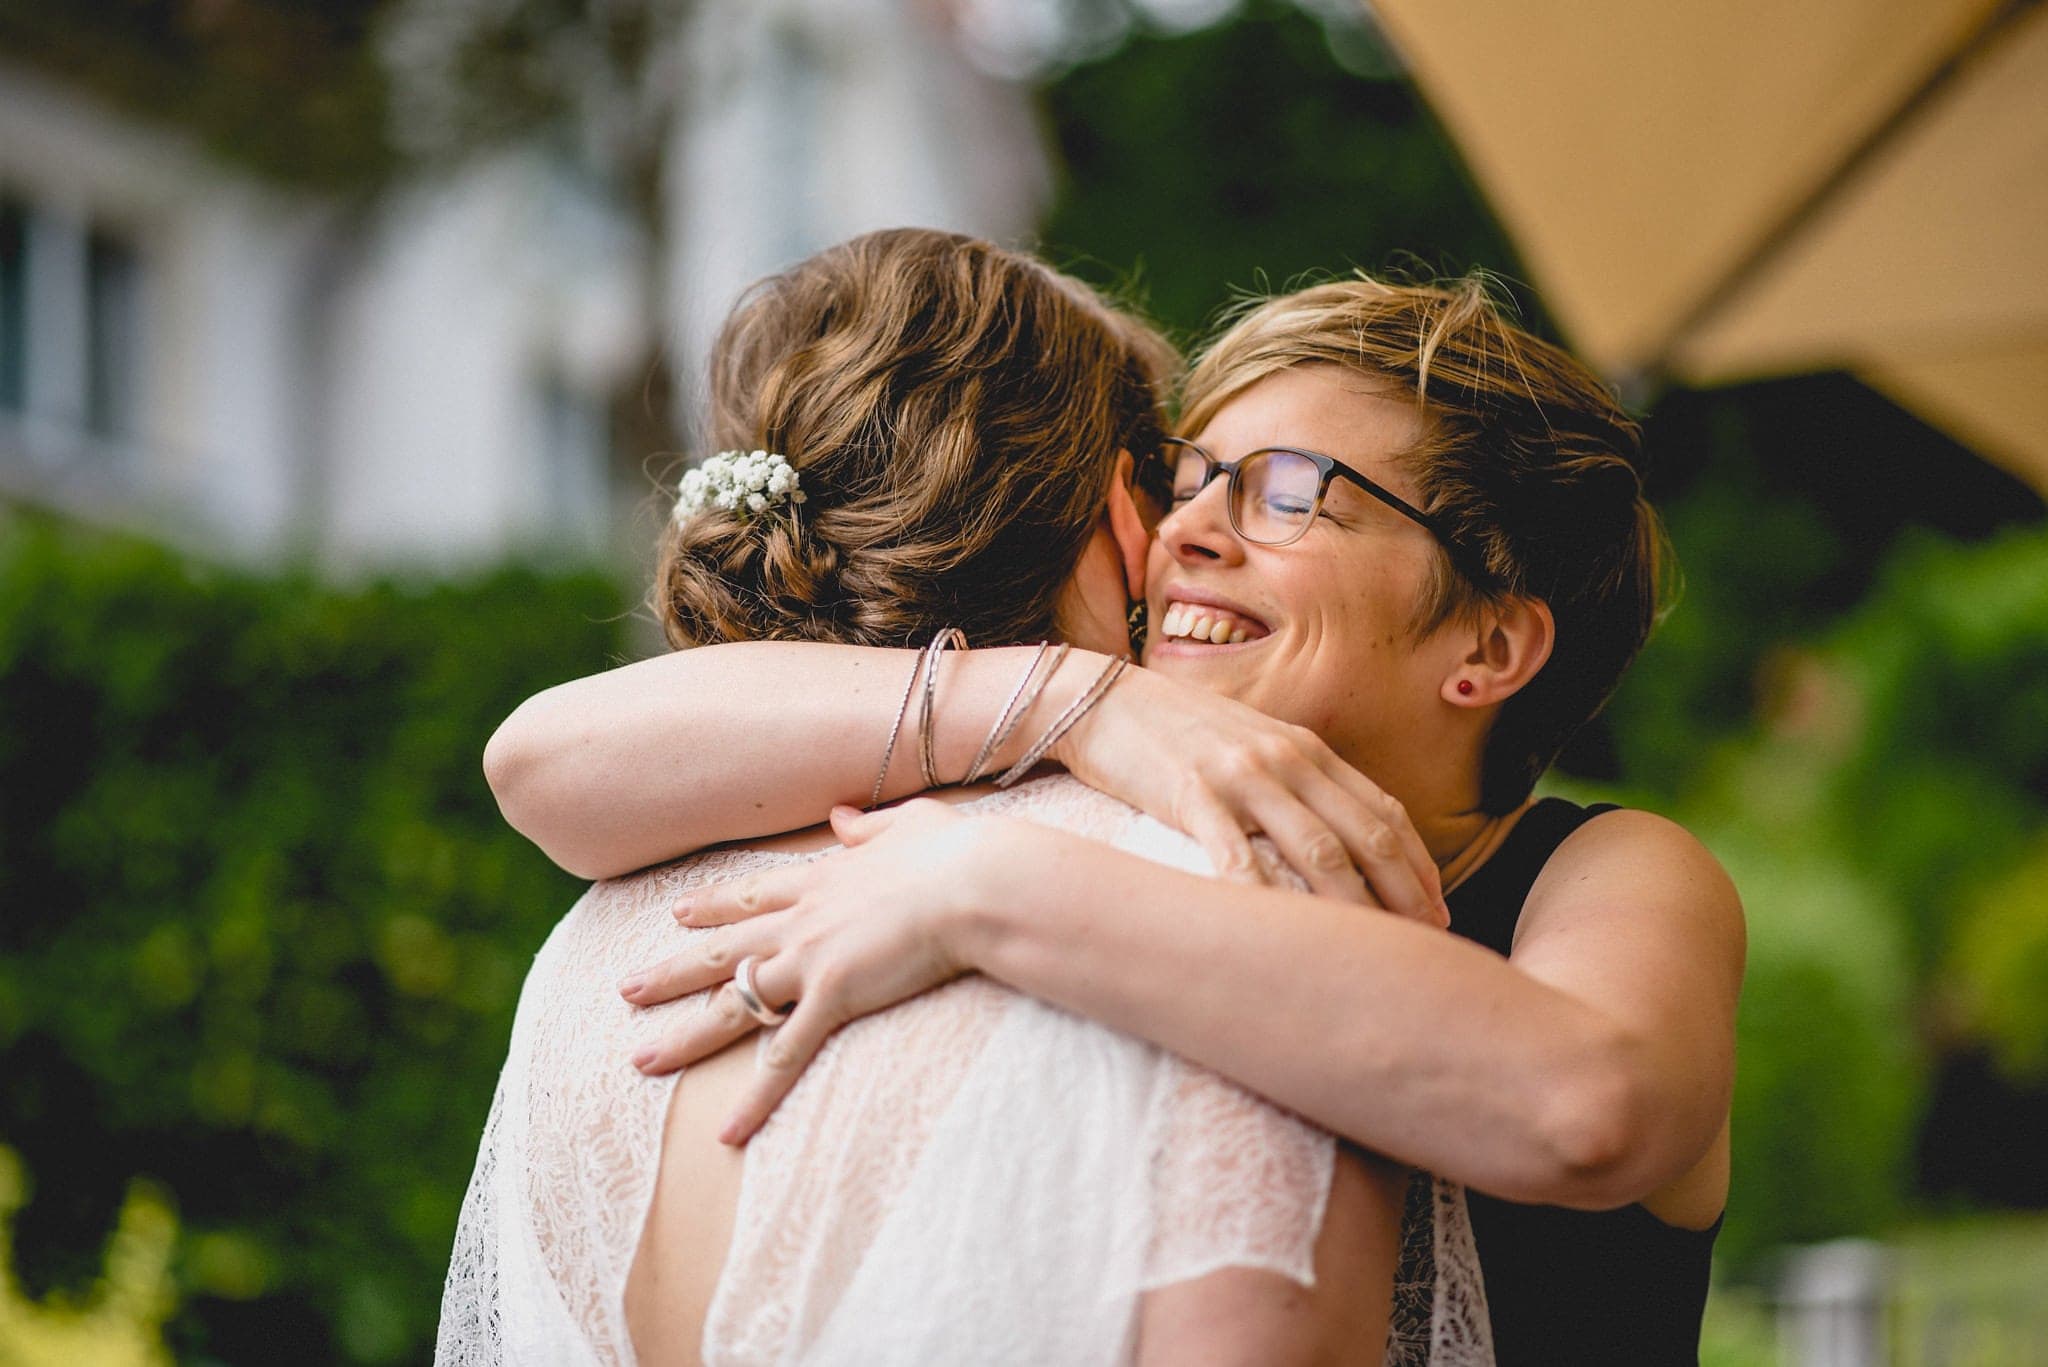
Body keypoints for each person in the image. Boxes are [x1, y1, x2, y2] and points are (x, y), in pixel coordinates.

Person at [486, 272, 1745, 1365]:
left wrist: (978, 884)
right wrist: (1072, 698)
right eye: (1186, 482)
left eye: (1288, 491)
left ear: (1486, 641)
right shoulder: (1122, 810)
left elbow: (1591, 1104)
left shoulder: (1608, 868)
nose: (1187, 531)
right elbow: (546, 755)